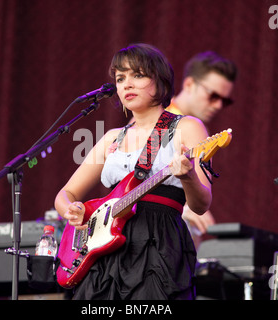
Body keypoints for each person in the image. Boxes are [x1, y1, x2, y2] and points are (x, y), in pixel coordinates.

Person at [54, 43, 212, 300]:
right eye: (120, 78)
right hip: (103, 252)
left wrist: (188, 176)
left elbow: (202, 204)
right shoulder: (111, 138)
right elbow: (66, 193)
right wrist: (71, 211)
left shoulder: (187, 127)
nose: (126, 84)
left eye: (137, 75)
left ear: (160, 80)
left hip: (158, 244)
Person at [167, 51, 237, 249]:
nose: (218, 105)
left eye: (225, 100)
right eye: (213, 96)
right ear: (189, 84)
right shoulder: (158, 118)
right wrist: (177, 206)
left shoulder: (195, 129)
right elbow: (126, 182)